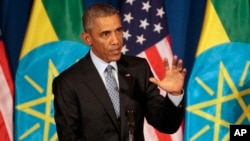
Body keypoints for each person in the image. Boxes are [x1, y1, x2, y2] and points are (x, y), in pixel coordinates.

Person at [52, 3, 187, 141]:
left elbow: (166, 124)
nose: (116, 40)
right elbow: (69, 137)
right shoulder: (68, 83)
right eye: (106, 34)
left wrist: (174, 95)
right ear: (88, 38)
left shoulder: (138, 69)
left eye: (118, 30)